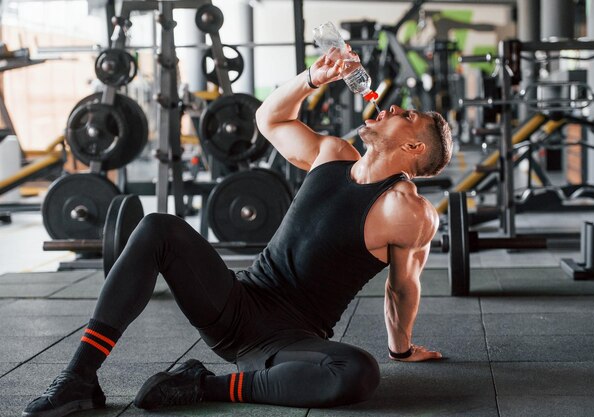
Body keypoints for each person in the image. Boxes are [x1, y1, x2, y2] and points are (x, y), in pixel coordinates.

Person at [22, 47, 452, 417]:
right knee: (157, 227)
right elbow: (269, 119)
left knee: (359, 373)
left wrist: (400, 350)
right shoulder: (332, 153)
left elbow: (402, 288)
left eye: (407, 116)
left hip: (288, 341)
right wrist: (311, 78)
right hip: (234, 303)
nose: (393, 108)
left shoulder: (409, 211)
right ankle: (79, 377)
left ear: (414, 148)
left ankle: (202, 385)